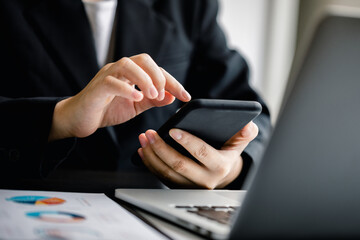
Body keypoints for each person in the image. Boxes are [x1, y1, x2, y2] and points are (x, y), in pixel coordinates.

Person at [0, 0, 271, 189]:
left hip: (156, 203)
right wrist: (59, 118)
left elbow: (247, 105)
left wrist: (232, 168)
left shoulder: (189, 5)